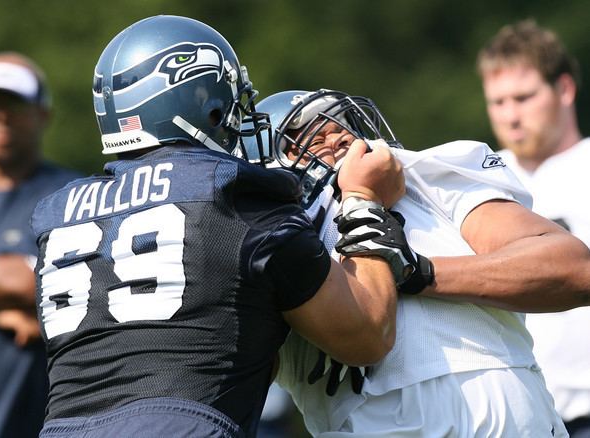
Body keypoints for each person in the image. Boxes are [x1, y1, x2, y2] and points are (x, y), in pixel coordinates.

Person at [31, 16, 415, 438]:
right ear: (207, 102)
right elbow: (367, 335)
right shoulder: (237, 195)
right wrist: (364, 198)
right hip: (179, 426)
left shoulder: (58, 213)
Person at [247, 88, 590, 437]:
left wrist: (418, 271)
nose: (338, 139)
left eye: (340, 127)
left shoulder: (424, 176)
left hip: (511, 413)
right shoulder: (267, 237)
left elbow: (573, 270)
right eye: (310, 139)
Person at [477, 19, 590, 436]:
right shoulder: (478, 177)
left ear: (564, 90)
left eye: (523, 97)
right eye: (498, 101)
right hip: (511, 416)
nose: (511, 115)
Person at [0, 51, 82, 437]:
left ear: (42, 113)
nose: (2, 115)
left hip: (43, 420)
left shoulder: (72, 196)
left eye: (14, 104)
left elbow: (84, 289)